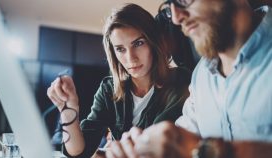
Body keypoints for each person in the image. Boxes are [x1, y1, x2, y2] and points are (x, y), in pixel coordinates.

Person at [106, 0, 272, 158]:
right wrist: (143, 148)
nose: (177, 18)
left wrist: (206, 151)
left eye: (183, 0)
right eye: (170, 4)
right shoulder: (201, 76)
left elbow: (194, 148)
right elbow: (183, 135)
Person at [47, 3, 191, 157]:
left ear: (153, 43)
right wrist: (68, 109)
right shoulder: (109, 88)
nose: (131, 58)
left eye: (138, 43)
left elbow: (154, 146)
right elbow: (78, 153)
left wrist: (106, 153)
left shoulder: (180, 80)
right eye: (120, 49)